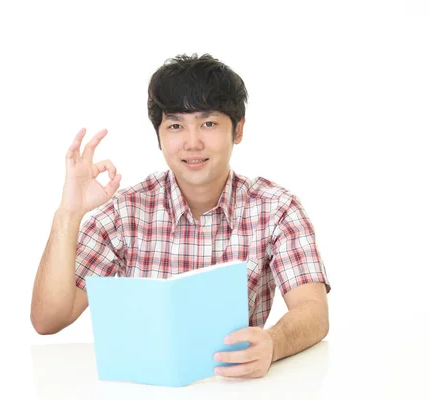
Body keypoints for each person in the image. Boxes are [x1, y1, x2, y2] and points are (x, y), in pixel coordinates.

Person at [30, 53, 331, 379]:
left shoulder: (276, 208)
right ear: (159, 136)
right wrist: (68, 214)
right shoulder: (125, 212)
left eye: (209, 123)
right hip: (143, 389)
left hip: (238, 388)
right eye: (175, 125)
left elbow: (313, 310)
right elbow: (48, 320)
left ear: (239, 129)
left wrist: (273, 342)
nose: (192, 142)